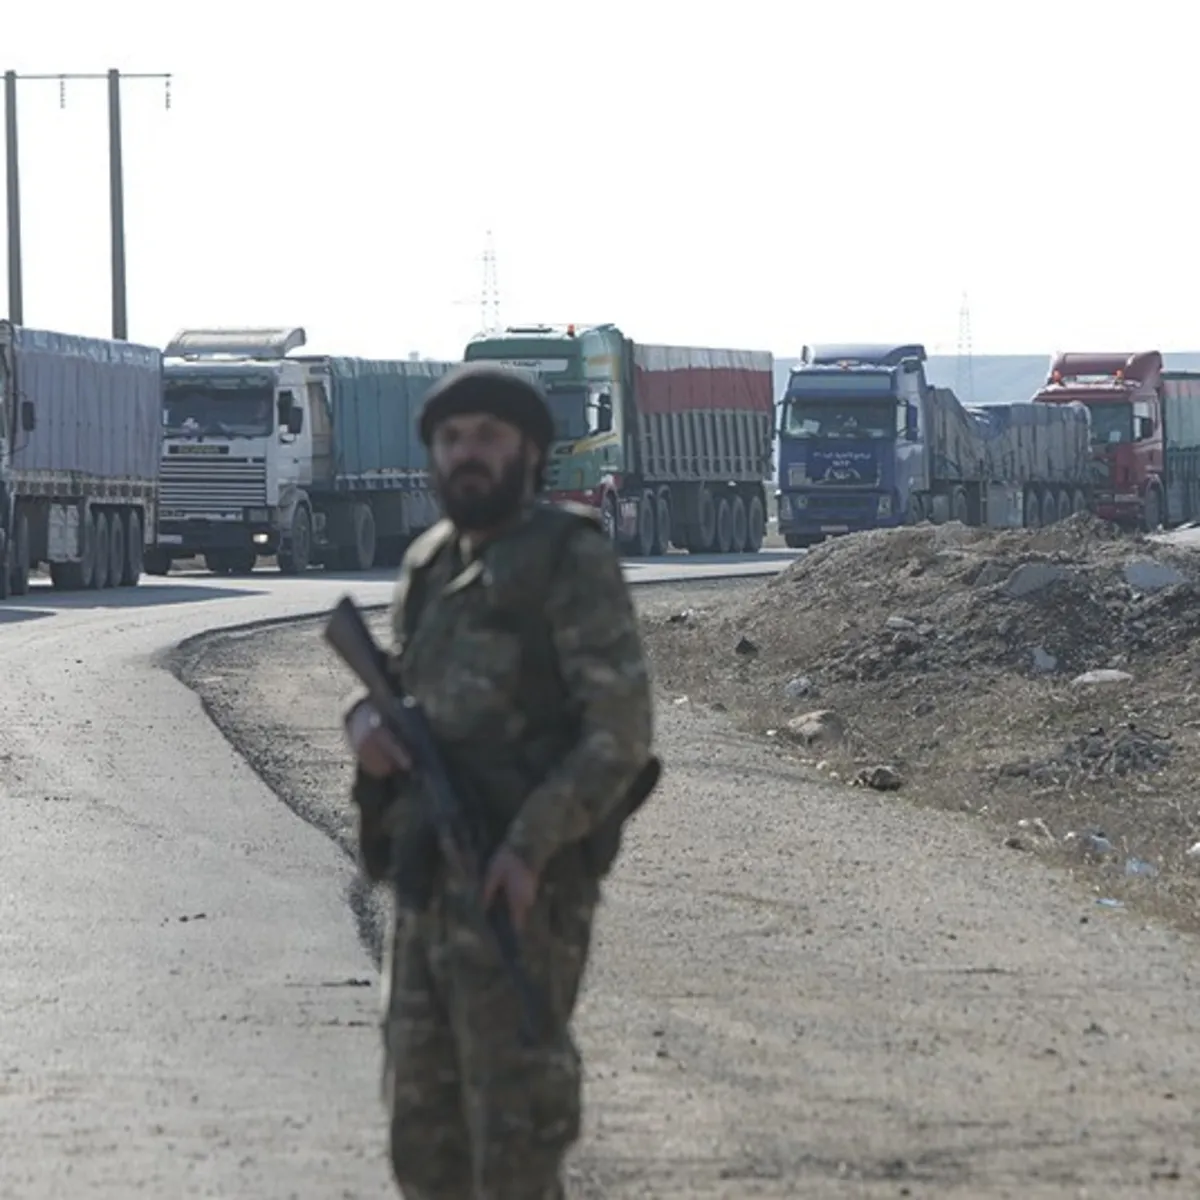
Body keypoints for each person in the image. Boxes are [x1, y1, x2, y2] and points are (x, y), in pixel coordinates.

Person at [342, 362, 656, 1199]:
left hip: (525, 893)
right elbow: (400, 688)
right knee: (423, 1137)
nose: (467, 455)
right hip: (427, 886)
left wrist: (526, 850)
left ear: (531, 452)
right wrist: (364, 726)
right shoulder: (430, 563)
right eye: (450, 440)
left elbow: (619, 734)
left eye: (487, 437)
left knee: (514, 1135)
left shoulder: (568, 561)